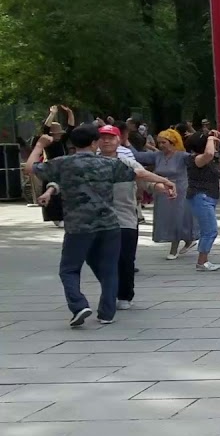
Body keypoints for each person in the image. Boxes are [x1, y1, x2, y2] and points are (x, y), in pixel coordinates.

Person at [25, 125, 173, 326]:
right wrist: (165, 181)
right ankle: (106, 313)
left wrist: (40, 145)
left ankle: (79, 305)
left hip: (78, 225)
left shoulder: (62, 163)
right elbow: (139, 174)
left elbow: (30, 168)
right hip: (109, 223)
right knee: (109, 268)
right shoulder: (108, 163)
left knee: (69, 269)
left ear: (71, 144)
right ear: (95, 143)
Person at [98, 125, 173, 310]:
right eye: (102, 138)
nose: (106, 141)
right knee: (104, 260)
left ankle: (124, 295)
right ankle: (109, 293)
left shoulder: (127, 162)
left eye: (111, 137)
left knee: (125, 259)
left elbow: (146, 182)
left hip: (126, 218)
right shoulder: (90, 163)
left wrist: (162, 189)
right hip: (97, 220)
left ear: (119, 140)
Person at [139, 129, 196, 259]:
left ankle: (174, 249)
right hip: (163, 191)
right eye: (159, 143)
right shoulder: (157, 155)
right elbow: (136, 156)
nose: (161, 145)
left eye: (164, 142)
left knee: (178, 217)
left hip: (180, 191)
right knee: (167, 218)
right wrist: (125, 143)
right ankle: (188, 240)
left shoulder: (183, 156)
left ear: (172, 142)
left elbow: (199, 162)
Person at [184, 132, 220, 272]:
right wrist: (211, 139)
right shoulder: (195, 159)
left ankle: (203, 260)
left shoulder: (203, 160)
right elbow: (209, 154)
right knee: (210, 231)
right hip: (201, 197)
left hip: (208, 198)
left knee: (208, 230)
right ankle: (202, 262)